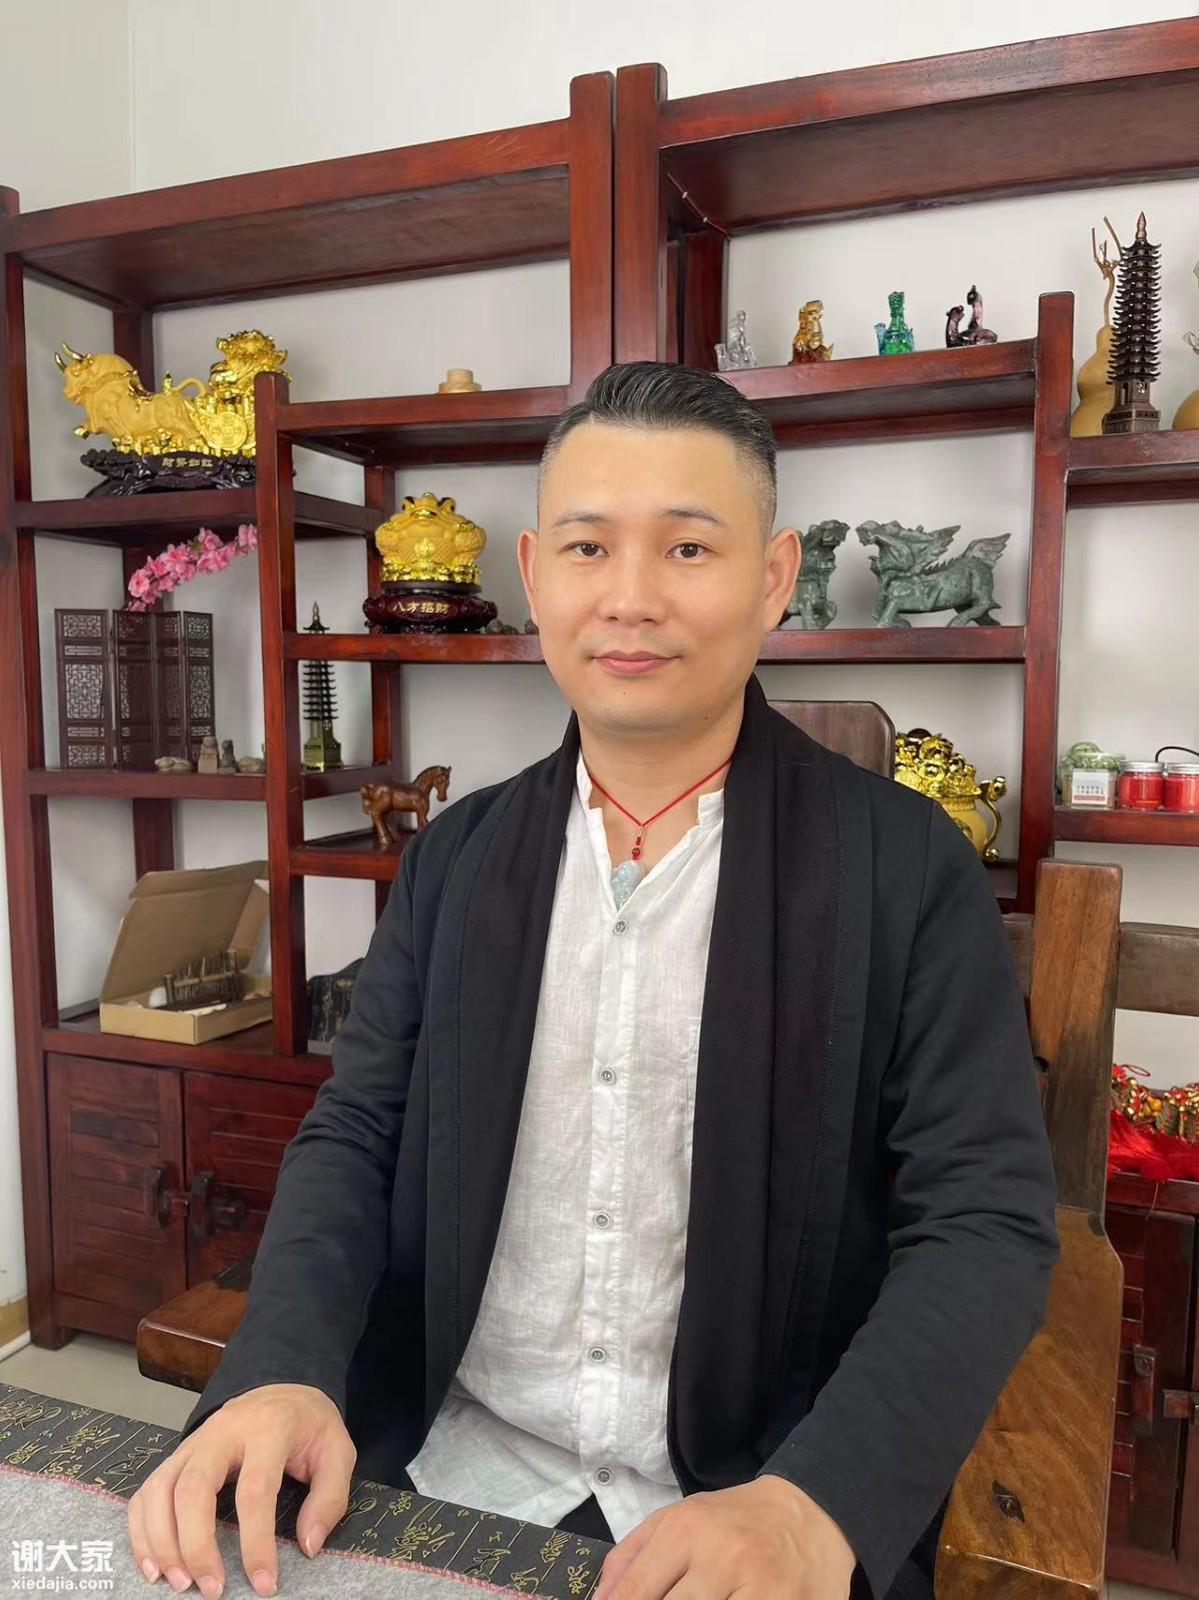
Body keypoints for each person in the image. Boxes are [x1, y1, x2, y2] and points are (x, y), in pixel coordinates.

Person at [127, 361, 1060, 1600]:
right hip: (441, 1460)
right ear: (534, 574)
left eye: (687, 547)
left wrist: (817, 1503)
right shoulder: (456, 859)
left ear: (771, 576)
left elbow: (982, 1220)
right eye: (585, 547)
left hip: (753, 1497)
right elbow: (355, 1133)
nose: (628, 598)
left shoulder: (907, 869)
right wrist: (282, 1367)